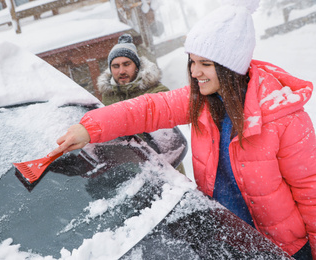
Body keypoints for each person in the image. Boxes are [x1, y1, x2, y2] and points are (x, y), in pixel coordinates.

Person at [49, 0, 316, 258]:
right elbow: (148, 108)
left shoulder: (283, 117)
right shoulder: (201, 101)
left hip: (283, 249)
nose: (194, 71)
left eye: (205, 63)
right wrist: (90, 128)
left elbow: (311, 193)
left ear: (231, 67)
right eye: (192, 60)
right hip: (225, 241)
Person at [98, 33, 186, 174]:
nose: (121, 71)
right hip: (130, 175)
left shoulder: (157, 92)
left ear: (137, 66)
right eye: (115, 66)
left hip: (166, 171)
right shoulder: (108, 98)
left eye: (127, 64)